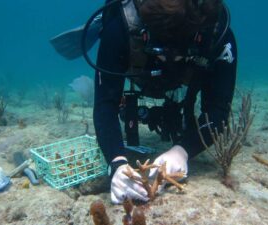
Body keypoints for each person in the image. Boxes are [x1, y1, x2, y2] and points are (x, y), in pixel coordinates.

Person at [92, 0, 237, 204]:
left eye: (179, 53)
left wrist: (182, 151)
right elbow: (105, 104)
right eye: (159, 50)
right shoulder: (120, 27)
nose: (169, 60)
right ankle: (96, 24)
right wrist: (117, 163)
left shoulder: (218, 35)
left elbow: (218, 110)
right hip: (136, 63)